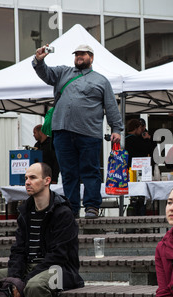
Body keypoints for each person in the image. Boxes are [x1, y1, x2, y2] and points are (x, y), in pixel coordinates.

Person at [33, 44, 124, 218]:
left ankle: (91, 206)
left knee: (90, 170)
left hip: (89, 133)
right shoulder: (63, 72)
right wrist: (39, 60)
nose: (79, 57)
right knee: (68, 172)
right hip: (62, 131)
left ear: (91, 57)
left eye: (83, 54)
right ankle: (71, 208)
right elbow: (45, 74)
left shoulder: (101, 80)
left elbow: (111, 106)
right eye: (76, 55)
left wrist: (116, 128)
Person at [0, 162, 84, 297]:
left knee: (34, 286)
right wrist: (14, 277)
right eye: (26, 178)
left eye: (33, 178)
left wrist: (25, 279)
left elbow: (59, 255)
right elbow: (18, 250)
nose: (27, 182)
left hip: (60, 270)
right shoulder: (25, 212)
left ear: (47, 180)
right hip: (27, 267)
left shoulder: (63, 213)